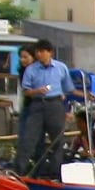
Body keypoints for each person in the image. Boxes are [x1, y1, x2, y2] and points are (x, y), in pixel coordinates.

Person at [18, 39, 71, 178]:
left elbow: (68, 89)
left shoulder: (61, 68)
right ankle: (19, 170)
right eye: (37, 52)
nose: (39, 54)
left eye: (41, 52)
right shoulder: (31, 69)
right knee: (29, 139)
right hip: (37, 104)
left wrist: (66, 107)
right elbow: (26, 91)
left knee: (57, 141)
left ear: (50, 52)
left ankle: (55, 173)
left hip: (55, 105)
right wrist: (37, 91)